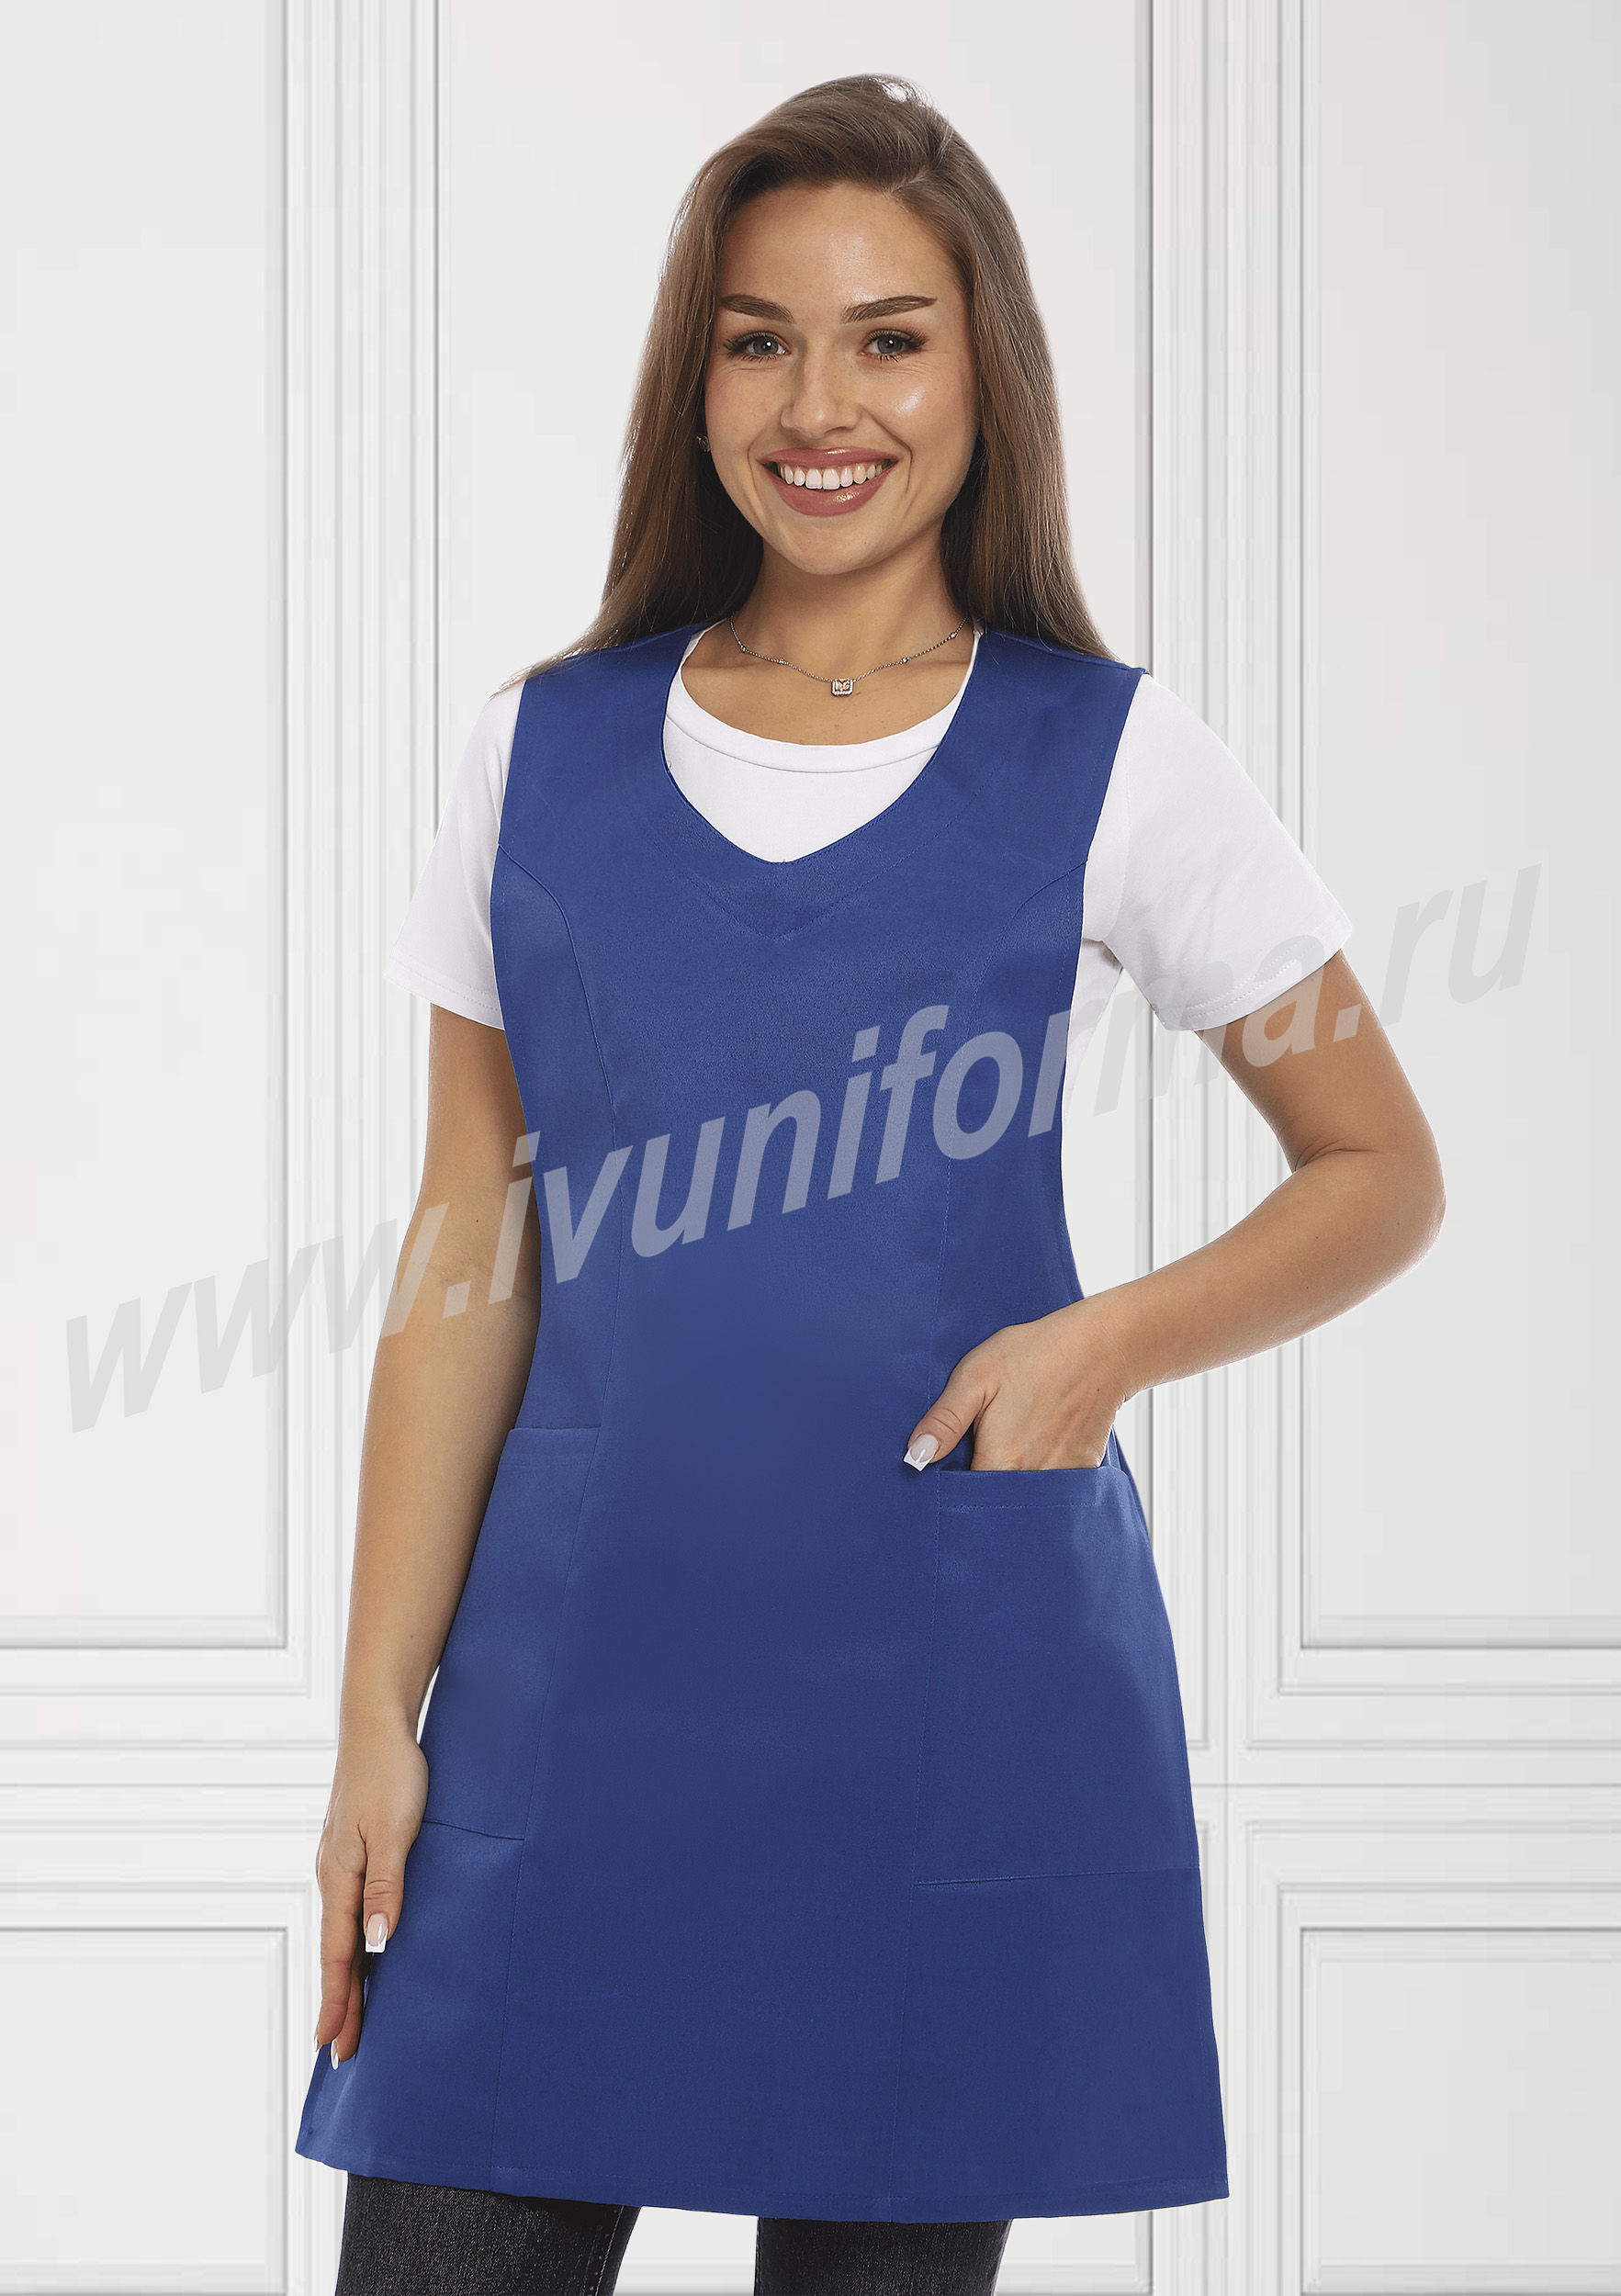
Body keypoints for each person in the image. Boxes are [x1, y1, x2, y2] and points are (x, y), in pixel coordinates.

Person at [295, 72, 1445, 2296]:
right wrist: (373, 1715)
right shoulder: (535, 753)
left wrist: (1102, 1346)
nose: (819, 405)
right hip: (563, 1717)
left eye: (887, 339)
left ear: (980, 372)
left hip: (944, 1704)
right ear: (696, 378)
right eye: (760, 339)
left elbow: (1378, 1165)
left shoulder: (1111, 758)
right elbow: (464, 1262)